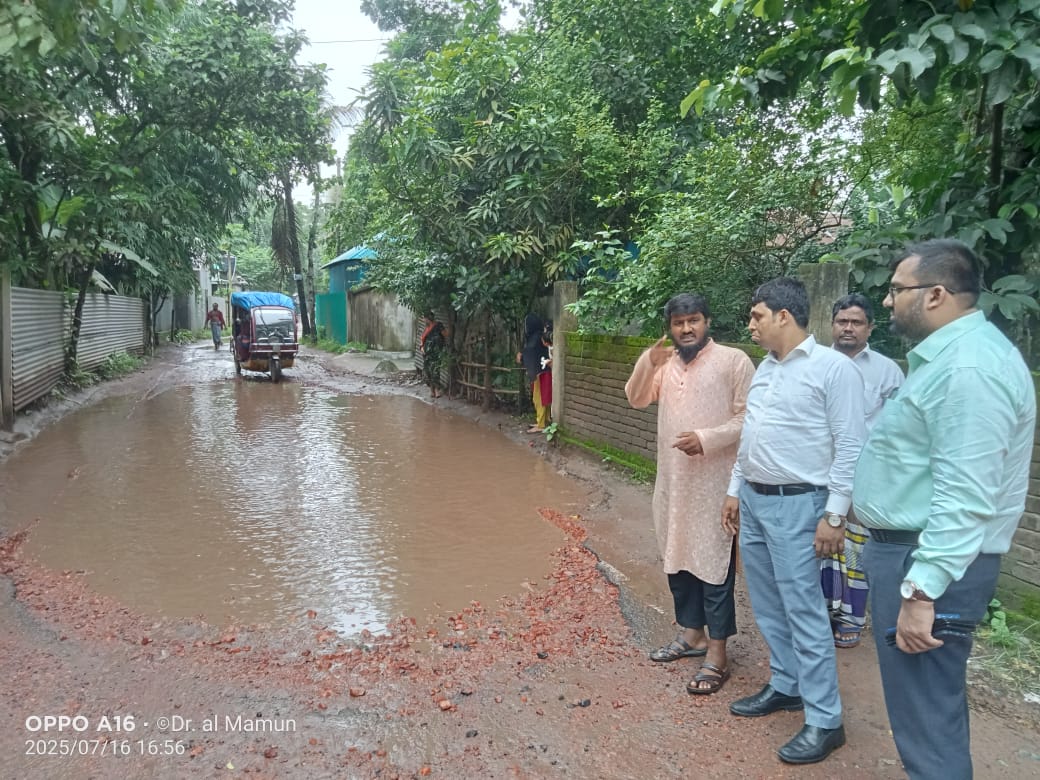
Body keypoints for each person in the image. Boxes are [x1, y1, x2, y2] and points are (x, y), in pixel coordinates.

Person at [853, 239, 1035, 780]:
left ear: (935, 294)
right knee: (924, 710)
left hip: (929, 564)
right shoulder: (953, 359)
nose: (886, 302)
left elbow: (967, 495)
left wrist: (921, 591)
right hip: (917, 557)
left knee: (927, 720)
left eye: (895, 290)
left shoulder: (969, 371)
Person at [721, 277, 865, 765]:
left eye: (757, 315)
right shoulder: (765, 368)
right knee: (766, 603)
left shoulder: (832, 370)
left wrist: (835, 514)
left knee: (804, 609)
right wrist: (735, 490)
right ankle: (787, 685)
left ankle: (826, 720)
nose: (751, 324)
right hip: (757, 503)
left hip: (802, 505)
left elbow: (850, 445)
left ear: (784, 315)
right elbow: (751, 437)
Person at [625, 293, 755, 695]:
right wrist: (648, 361)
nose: (686, 329)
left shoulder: (734, 361)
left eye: (693, 320)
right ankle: (691, 635)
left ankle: (717, 654)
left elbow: (750, 417)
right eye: (679, 323)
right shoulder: (663, 365)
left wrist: (706, 438)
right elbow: (635, 398)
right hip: (673, 486)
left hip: (716, 486)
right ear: (671, 327)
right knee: (678, 562)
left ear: (707, 321)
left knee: (714, 568)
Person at [821, 293, 904, 649]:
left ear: (870, 327)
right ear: (832, 325)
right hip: (821, 471)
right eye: (842, 321)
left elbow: (898, 429)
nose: (848, 328)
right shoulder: (817, 363)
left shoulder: (888, 371)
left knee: (856, 550)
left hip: (869, 475)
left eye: (856, 322)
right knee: (822, 547)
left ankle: (852, 617)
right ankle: (820, 613)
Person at [517, 314, 550, 433]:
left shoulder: (535, 339)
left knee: (539, 398)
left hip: (540, 373)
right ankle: (544, 421)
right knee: (543, 398)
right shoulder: (539, 336)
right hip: (543, 371)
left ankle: (541, 425)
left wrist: (521, 357)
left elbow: (530, 353)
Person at [420, 313, 446, 398]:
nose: (423, 320)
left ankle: (437, 390)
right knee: (428, 373)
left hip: (436, 354)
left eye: (424, 318)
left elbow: (445, 334)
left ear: (429, 318)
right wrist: (421, 348)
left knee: (435, 372)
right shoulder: (426, 329)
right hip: (426, 355)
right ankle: (431, 390)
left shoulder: (438, 326)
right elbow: (422, 341)